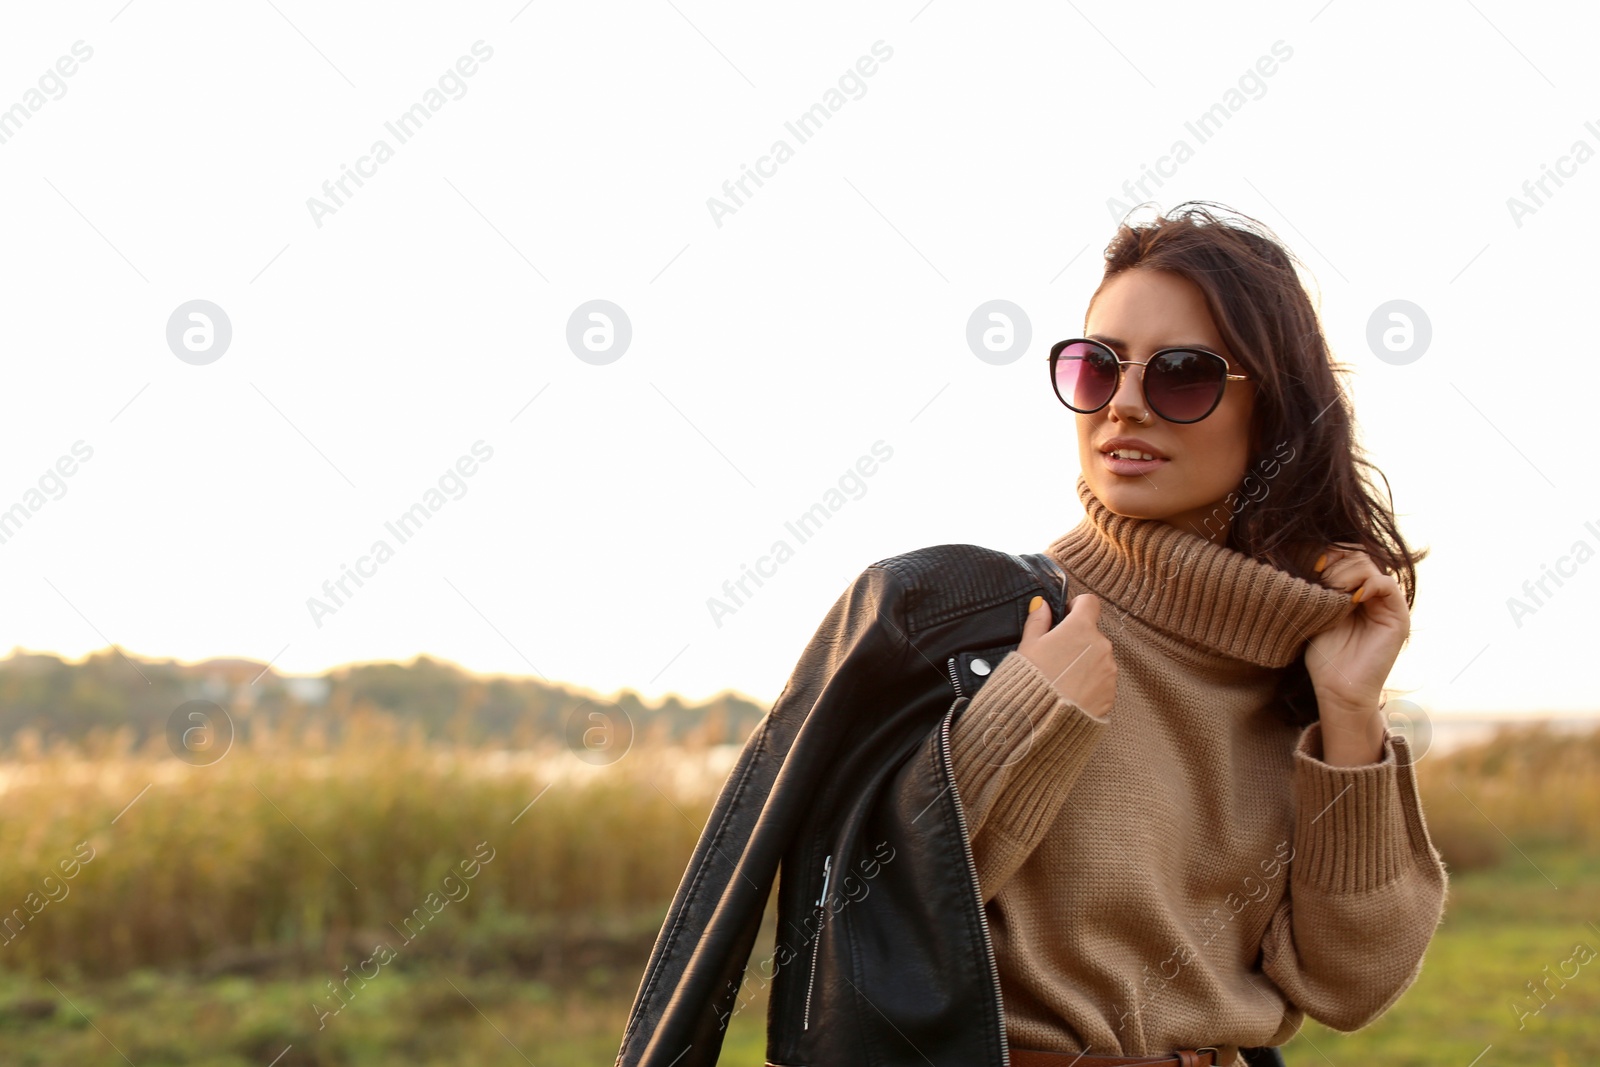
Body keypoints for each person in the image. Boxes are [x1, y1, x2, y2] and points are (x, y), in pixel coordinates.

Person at [947, 201, 1449, 1067]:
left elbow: (1351, 983)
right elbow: (871, 910)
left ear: (1274, 410)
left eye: (1181, 374)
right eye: (1096, 368)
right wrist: (1021, 720)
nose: (1125, 405)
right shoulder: (984, 618)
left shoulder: (1299, 668)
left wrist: (1349, 711)